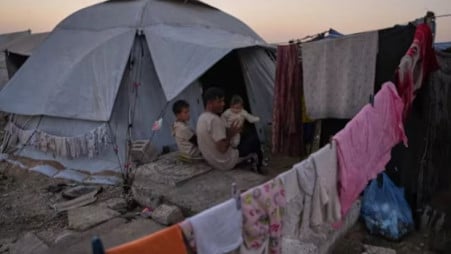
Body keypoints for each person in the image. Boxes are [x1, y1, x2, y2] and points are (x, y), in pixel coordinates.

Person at [196, 87, 264, 173]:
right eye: (219, 102)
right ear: (210, 103)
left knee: (244, 135)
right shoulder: (214, 120)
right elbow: (222, 148)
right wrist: (230, 134)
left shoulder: (202, 118)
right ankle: (258, 166)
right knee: (254, 140)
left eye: (223, 101)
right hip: (225, 161)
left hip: (212, 160)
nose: (223, 104)